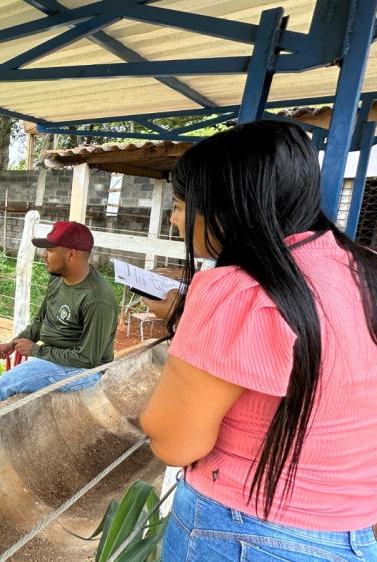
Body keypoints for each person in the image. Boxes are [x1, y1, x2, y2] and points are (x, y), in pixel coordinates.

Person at [139, 121, 377, 560]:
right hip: (353, 536)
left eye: (178, 205)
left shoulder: (240, 291)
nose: (174, 219)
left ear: (229, 207)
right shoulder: (365, 273)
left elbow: (175, 442)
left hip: (243, 533)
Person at [0, 221, 118, 406]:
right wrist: (12, 343)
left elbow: (88, 359)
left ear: (71, 254)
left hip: (84, 371)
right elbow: (40, 321)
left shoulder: (97, 299)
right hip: (55, 360)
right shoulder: (58, 278)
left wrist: (35, 350)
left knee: (2, 387)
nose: (44, 255)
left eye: (50, 249)